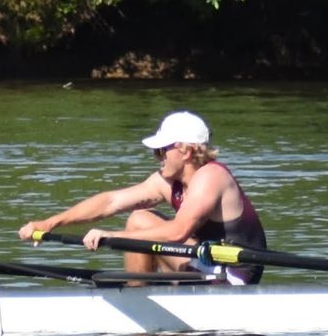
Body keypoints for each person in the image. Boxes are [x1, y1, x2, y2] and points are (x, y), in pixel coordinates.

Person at [17, 109, 267, 284]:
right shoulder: (169, 182)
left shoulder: (211, 176)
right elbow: (111, 202)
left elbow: (176, 232)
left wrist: (113, 236)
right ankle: (139, 296)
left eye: (161, 151)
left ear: (186, 151)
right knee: (139, 218)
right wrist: (50, 222)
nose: (158, 157)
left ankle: (140, 303)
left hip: (232, 277)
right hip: (205, 263)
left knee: (139, 227)